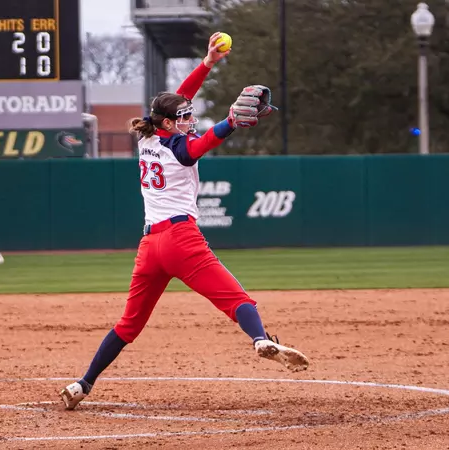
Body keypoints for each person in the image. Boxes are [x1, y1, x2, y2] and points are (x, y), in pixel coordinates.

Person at [59, 32, 310, 410]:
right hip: (181, 240)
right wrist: (228, 122)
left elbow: (179, 98)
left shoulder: (148, 137)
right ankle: (260, 340)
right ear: (169, 123)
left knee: (128, 325)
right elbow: (204, 142)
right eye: (184, 116)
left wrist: (208, 63)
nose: (189, 118)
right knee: (237, 299)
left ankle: (82, 384)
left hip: (149, 248)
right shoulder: (179, 147)